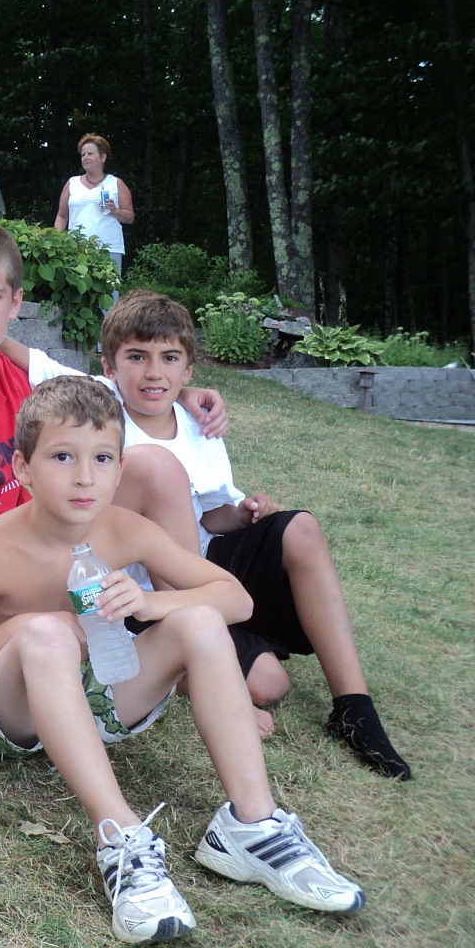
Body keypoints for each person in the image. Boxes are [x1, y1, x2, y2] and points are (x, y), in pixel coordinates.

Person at [0, 375, 363, 943]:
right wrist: (26, 627)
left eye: (102, 458)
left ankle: (252, 824)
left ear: (120, 468)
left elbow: (236, 599)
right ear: (23, 468)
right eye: (62, 457)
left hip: (97, 698)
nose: (85, 477)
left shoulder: (126, 530)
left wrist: (151, 603)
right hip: (7, 714)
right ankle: (122, 839)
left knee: (200, 620)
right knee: (47, 637)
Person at [91, 291, 409, 777]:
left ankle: (353, 707)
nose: (153, 372)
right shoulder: (99, 406)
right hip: (145, 593)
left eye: (169, 358)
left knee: (300, 529)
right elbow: (24, 358)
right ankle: (192, 659)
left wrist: (244, 514)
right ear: (109, 366)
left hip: (204, 568)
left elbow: (212, 515)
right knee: (267, 685)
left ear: (188, 369)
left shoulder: (197, 424)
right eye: (136, 357)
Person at [0, 217, 224, 619]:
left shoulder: (12, 376)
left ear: (15, 303)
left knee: (156, 469)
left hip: (25, 557)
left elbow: (102, 391)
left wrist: (181, 393)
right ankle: (185, 622)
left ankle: (187, 614)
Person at [53, 133, 132, 277]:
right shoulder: (72, 183)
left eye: (90, 154)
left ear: (103, 157)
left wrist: (115, 210)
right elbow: (62, 216)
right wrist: (55, 241)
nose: (85, 158)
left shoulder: (116, 183)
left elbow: (130, 217)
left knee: (110, 290)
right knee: (78, 289)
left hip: (109, 249)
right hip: (76, 248)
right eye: (83, 155)